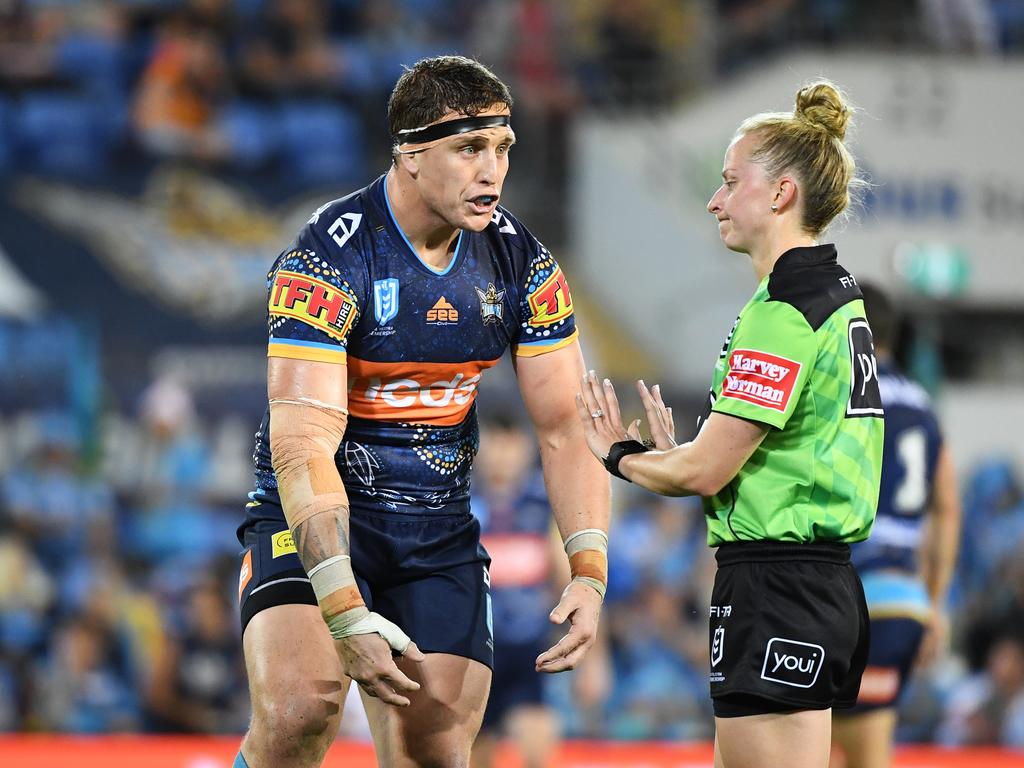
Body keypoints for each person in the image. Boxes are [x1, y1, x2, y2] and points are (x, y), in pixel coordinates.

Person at [233, 55, 610, 768]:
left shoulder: (523, 264)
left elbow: (565, 427)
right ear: (409, 153)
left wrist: (589, 573)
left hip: (434, 527)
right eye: (470, 148)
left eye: (502, 148)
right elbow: (303, 442)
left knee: (435, 747)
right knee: (299, 711)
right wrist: (342, 606)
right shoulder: (325, 258)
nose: (492, 169)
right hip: (310, 513)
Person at [575, 81, 883, 768]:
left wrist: (619, 455)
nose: (715, 200)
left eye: (729, 181)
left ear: (779, 195)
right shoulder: (833, 292)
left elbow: (705, 471)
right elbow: (752, 454)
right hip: (812, 580)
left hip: (779, 586)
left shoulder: (785, 309)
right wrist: (687, 453)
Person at [830, 283, 962, 768]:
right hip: (904, 600)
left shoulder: (840, 389)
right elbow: (947, 507)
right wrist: (934, 600)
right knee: (869, 752)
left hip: (847, 593)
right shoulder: (925, 406)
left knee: (817, 748)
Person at [468, 414, 611, 768]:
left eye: (511, 442)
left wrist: (595, 661)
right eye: (495, 442)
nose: (503, 454)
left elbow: (575, 583)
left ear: (525, 447)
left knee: (536, 750)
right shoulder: (461, 502)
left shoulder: (542, 505)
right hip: (473, 648)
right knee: (473, 752)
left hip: (529, 651)